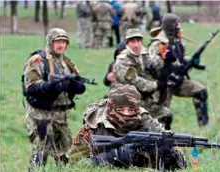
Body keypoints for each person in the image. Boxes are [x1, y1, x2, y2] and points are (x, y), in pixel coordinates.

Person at [67, 84, 187, 171]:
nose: (126, 114)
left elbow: (183, 165)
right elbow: (73, 167)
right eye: (120, 110)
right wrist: (112, 157)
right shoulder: (93, 128)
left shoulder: (150, 126)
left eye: (131, 110)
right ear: (110, 109)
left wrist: (172, 158)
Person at [22, 28, 86, 170]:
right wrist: (50, 86)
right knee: (40, 155)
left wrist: (76, 86)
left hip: (62, 115)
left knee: (67, 155)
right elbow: (31, 87)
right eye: (57, 41)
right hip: (41, 115)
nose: (61, 45)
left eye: (64, 42)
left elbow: (78, 82)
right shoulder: (37, 60)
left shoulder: (67, 63)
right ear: (50, 42)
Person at [113, 28, 173, 130]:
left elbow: (155, 66)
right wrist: (156, 85)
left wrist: (166, 61)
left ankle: (162, 141)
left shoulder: (144, 55)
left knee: (166, 115)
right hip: (127, 103)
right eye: (133, 42)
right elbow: (135, 82)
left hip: (144, 100)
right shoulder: (122, 60)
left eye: (138, 41)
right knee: (148, 126)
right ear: (127, 43)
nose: (136, 45)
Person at [159, 13, 209, 126]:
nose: (179, 27)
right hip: (163, 84)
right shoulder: (160, 42)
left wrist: (191, 60)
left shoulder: (178, 40)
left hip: (179, 79)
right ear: (170, 26)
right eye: (177, 24)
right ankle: (161, 138)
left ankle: (204, 126)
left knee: (201, 92)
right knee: (163, 115)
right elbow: (155, 64)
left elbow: (183, 55)